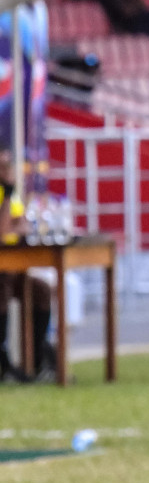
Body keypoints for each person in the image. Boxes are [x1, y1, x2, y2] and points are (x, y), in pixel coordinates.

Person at [0, 152, 55, 383]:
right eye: (3, 166)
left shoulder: (11, 196)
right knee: (1, 290)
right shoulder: (7, 195)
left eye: (8, 166)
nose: (8, 171)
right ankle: (3, 363)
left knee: (41, 290)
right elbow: (3, 231)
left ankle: (37, 359)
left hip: (13, 267)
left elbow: (23, 225)